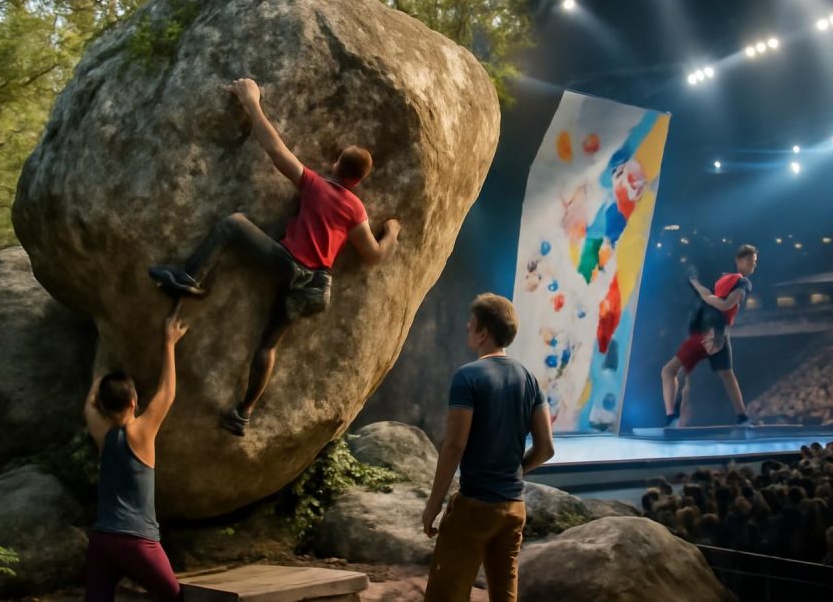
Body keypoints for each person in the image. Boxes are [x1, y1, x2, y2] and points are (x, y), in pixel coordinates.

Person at [148, 78, 401, 435]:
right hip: (316, 289)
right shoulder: (356, 209)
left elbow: (275, 149)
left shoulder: (317, 184)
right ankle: (243, 413)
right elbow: (373, 256)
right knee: (268, 344)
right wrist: (392, 231)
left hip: (288, 265)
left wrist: (252, 102)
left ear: (334, 164)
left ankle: (190, 277)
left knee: (233, 224)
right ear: (358, 181)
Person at [421, 293, 555, 602]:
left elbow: (454, 445)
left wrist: (433, 506)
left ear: (482, 333)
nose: (468, 329)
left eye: (471, 326)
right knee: (504, 595)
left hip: (475, 507)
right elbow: (546, 448)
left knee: (445, 594)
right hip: (513, 508)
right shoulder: (530, 379)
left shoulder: (467, 376)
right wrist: (514, 471)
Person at [83, 308, 188, 602]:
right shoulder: (140, 433)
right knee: (172, 596)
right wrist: (169, 342)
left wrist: (100, 376)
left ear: (104, 405)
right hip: (136, 541)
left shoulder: (104, 436)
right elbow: (167, 392)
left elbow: (89, 407)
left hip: (102, 540)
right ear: (133, 402)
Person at [660, 244, 757, 427]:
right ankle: (742, 418)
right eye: (751, 261)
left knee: (673, 371)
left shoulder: (743, 283)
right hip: (715, 333)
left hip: (711, 334)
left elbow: (726, 305)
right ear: (739, 260)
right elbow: (710, 297)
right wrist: (696, 284)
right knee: (726, 375)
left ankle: (672, 416)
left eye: (754, 262)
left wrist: (707, 297)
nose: (753, 265)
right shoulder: (725, 281)